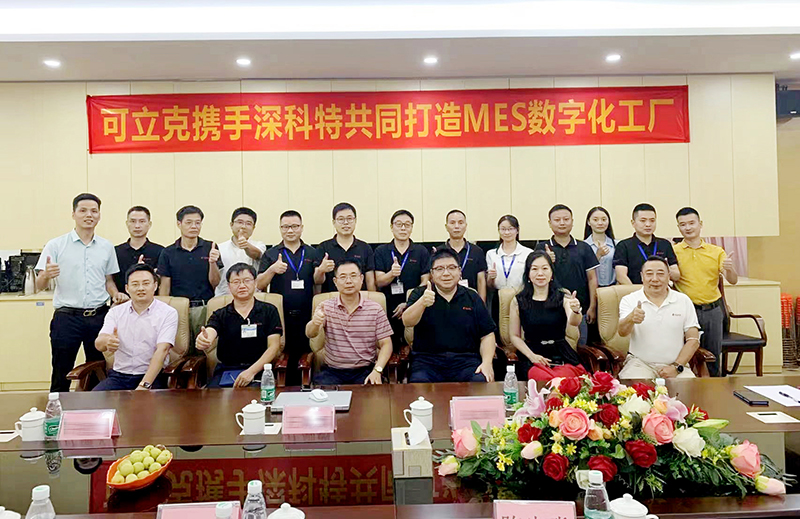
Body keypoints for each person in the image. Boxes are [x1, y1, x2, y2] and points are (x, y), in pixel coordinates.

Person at [35, 193, 127, 392]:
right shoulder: (56, 245)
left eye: (94, 211)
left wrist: (115, 293)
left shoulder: (106, 247)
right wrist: (46, 275)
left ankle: (95, 409)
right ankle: (57, 409)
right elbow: (38, 285)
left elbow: (108, 280)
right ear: (73, 214)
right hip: (67, 317)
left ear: (99, 215)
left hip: (99, 316)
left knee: (98, 369)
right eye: (83, 210)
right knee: (62, 369)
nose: (89, 215)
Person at [403, 249, 496, 383]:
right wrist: (422, 302)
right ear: (432, 274)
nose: (446, 273)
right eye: (439, 269)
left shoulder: (472, 296)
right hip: (427, 361)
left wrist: (487, 363)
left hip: (466, 361)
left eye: (451, 268)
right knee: (418, 384)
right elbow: (407, 321)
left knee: (480, 381)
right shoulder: (419, 294)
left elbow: (487, 334)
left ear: (460, 271)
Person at [256, 210, 322, 386]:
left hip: (307, 313)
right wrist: (272, 269)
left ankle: (306, 386)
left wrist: (322, 270)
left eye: (294, 226)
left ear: (302, 228)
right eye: (285, 227)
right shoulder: (271, 254)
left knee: (306, 354)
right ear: (280, 228)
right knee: (283, 354)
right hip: (280, 314)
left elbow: (318, 282)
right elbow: (259, 284)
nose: (290, 230)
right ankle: (283, 388)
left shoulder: (312, 252)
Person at [673, 207, 738, 377]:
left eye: (692, 223)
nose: (688, 227)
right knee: (684, 355)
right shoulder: (674, 251)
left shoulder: (716, 251)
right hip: (685, 311)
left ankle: (713, 388)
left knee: (712, 356)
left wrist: (729, 269)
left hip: (712, 310)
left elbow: (733, 280)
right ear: (678, 228)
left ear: (700, 224)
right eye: (683, 224)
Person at [93, 264, 179, 391]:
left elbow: (163, 350)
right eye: (135, 284)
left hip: (153, 376)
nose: (141, 288)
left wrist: (144, 385)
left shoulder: (168, 313)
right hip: (119, 376)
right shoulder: (115, 312)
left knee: (144, 402)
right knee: (94, 400)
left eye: (146, 283)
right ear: (127, 288)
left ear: (155, 286)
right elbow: (99, 344)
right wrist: (107, 341)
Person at [306, 260, 393, 385]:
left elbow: (386, 344)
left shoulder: (375, 308)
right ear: (335, 282)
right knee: (321, 395)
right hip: (332, 372)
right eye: (343, 277)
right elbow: (310, 334)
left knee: (373, 394)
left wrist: (377, 370)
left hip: (365, 370)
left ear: (361, 279)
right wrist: (315, 323)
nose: (348, 281)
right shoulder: (326, 306)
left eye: (353, 276)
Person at [198, 263, 283, 388]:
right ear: (229, 286)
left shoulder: (269, 311)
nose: (242, 286)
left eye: (247, 281)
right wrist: (204, 339)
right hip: (226, 370)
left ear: (255, 283)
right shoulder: (221, 314)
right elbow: (210, 331)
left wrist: (251, 372)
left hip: (260, 370)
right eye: (236, 282)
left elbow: (274, 346)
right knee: (212, 398)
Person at [618, 256, 700, 379]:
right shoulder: (629, 300)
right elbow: (622, 332)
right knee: (631, 388)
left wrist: (676, 367)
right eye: (649, 274)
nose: (655, 279)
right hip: (640, 364)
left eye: (661, 274)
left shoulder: (683, 300)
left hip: (676, 365)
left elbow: (693, 340)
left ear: (669, 276)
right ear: (642, 276)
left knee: (690, 388)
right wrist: (631, 318)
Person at [508, 252, 586, 381]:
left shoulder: (563, 297)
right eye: (534, 269)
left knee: (564, 380)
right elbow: (514, 336)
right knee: (543, 379)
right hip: (532, 354)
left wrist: (576, 311)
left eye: (545, 268)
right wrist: (532, 356)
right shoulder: (519, 301)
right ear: (528, 274)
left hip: (561, 353)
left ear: (551, 273)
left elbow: (574, 322)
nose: (540, 273)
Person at [157, 205, 223, 349]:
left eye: (198, 223)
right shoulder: (168, 252)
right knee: (179, 349)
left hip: (204, 307)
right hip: (177, 308)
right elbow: (165, 286)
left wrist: (212, 262)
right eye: (189, 222)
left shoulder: (210, 247)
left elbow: (215, 283)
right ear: (179, 224)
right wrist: (162, 310)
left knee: (204, 348)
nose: (194, 226)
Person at [534, 204, 598, 345]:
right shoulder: (541, 248)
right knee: (550, 346)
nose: (562, 223)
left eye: (566, 219)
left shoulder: (584, 247)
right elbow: (535, 278)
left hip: (579, 308)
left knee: (580, 347)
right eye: (557, 220)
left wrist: (592, 307)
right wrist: (546, 261)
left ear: (572, 221)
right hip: (548, 309)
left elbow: (592, 278)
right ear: (550, 223)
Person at [374, 210, 430, 351]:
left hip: (413, 305)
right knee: (390, 346)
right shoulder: (381, 251)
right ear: (391, 227)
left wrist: (409, 303)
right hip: (388, 306)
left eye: (407, 224)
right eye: (399, 224)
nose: (403, 228)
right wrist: (391, 274)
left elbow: (425, 282)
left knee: (413, 344)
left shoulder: (421, 251)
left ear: (412, 227)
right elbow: (379, 281)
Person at [316, 202, 376, 293]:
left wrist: (372, 299)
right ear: (334, 222)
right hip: (332, 299)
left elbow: (370, 281)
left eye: (349, 219)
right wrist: (321, 270)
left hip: (359, 299)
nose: (346, 223)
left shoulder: (365, 248)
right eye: (341, 219)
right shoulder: (323, 248)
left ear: (355, 221)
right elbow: (317, 281)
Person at [614, 203, 679, 285]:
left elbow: (676, 275)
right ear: (633, 223)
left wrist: (665, 270)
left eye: (652, 220)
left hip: (661, 290)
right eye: (643, 221)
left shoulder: (665, 244)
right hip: (635, 290)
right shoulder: (623, 246)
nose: (648, 224)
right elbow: (621, 276)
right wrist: (639, 291)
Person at [437, 209, 487, 301]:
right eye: (452, 223)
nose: (457, 226)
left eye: (460, 223)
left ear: (466, 226)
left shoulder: (477, 251)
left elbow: (481, 280)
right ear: (446, 227)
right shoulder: (439, 252)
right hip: (444, 299)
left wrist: (481, 304)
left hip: (471, 300)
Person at [215, 207, 266, 297]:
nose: (243, 226)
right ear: (231, 225)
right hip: (224, 296)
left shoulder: (259, 245)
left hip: (252, 297)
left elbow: (257, 255)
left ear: (253, 228)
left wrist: (246, 246)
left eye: (248, 223)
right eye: (240, 222)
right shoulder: (219, 248)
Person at [113, 206, 164, 294]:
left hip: (151, 300)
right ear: (127, 223)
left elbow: (163, 281)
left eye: (142, 221)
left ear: (149, 224)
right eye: (133, 221)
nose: (137, 226)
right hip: (122, 300)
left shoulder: (161, 252)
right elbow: (109, 279)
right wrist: (116, 294)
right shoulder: (115, 252)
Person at [583, 206, 616, 287]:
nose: (600, 223)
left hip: (613, 288)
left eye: (604, 219)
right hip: (589, 288)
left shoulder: (617, 244)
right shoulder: (583, 246)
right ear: (588, 222)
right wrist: (597, 256)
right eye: (595, 220)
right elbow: (582, 270)